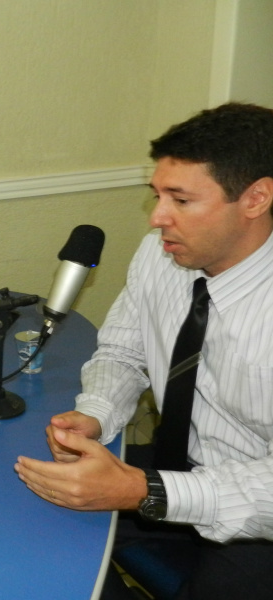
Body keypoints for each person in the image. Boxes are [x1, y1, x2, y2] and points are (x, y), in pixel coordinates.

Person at [14, 102, 273, 599]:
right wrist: (96, 412)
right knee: (32, 531)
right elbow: (122, 350)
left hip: (256, 518)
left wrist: (142, 491)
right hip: (175, 469)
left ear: (255, 198)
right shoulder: (162, 254)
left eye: (180, 199)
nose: (157, 219)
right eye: (157, 195)